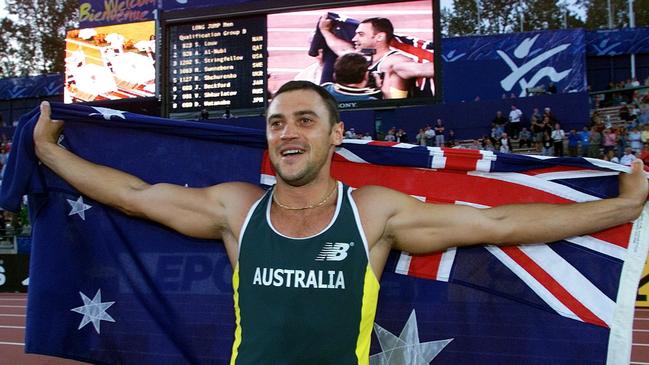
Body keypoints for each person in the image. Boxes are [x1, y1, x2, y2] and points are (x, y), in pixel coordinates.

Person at [33, 81, 647, 365]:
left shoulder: (373, 213)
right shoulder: (237, 208)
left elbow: (501, 222)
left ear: (335, 135)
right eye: (277, 122)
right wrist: (53, 154)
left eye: (304, 120)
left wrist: (620, 210)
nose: (288, 132)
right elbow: (135, 195)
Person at [318, 17, 421, 99]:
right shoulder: (359, 57)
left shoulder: (396, 62)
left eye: (360, 34)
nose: (354, 39)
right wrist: (325, 31)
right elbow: (342, 50)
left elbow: (423, 69)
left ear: (379, 37)